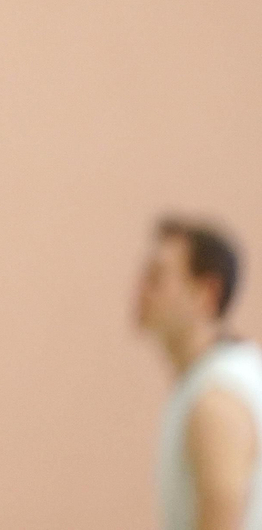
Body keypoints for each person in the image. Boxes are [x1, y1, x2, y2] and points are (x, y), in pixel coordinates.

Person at [137, 216, 262, 530]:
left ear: (206, 292)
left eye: (157, 277)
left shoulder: (217, 400)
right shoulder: (213, 380)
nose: (141, 289)